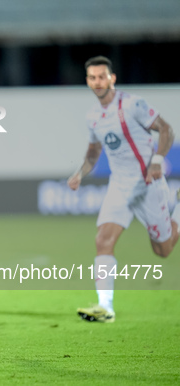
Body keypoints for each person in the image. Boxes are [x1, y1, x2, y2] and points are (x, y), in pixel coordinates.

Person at [68, 56, 179, 323]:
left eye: (102, 76)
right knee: (102, 240)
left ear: (112, 78)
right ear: (87, 81)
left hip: (147, 184)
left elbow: (166, 130)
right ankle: (106, 307)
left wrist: (156, 161)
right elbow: (94, 152)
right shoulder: (92, 116)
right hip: (119, 185)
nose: (98, 82)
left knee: (162, 250)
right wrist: (80, 173)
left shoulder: (132, 104)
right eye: (92, 78)